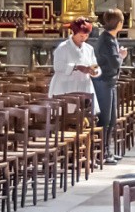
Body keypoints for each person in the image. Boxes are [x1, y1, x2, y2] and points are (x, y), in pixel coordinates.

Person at [93, 9, 128, 163]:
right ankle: (103, 153)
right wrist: (121, 56)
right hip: (103, 82)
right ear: (119, 23)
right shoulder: (106, 40)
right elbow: (114, 62)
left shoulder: (111, 38)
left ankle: (108, 150)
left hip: (110, 81)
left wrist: (118, 56)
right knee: (105, 119)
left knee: (112, 119)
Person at [48, 18, 100, 116]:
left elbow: (95, 65)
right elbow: (57, 66)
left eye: (86, 35)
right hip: (65, 86)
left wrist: (94, 71)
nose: (84, 38)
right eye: (81, 35)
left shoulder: (89, 49)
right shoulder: (63, 47)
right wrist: (76, 67)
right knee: (66, 116)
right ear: (73, 33)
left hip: (84, 86)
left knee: (84, 115)